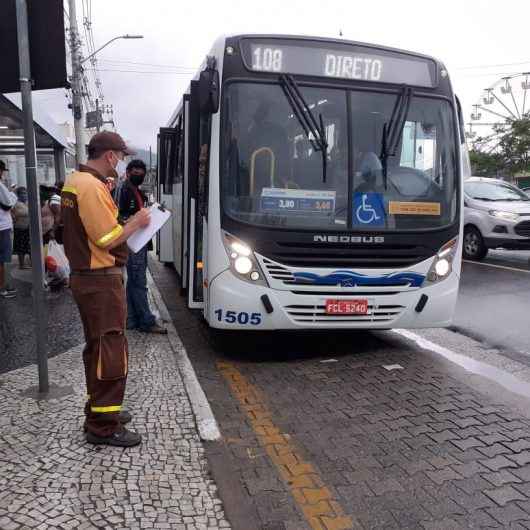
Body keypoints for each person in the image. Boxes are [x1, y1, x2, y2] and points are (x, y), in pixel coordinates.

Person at [61, 131, 151, 448]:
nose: (122, 162)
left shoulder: (75, 181)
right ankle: (103, 426)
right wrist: (137, 222)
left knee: (97, 348)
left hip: (87, 277)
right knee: (110, 351)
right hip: (100, 279)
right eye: (121, 156)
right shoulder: (90, 187)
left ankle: (98, 409)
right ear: (110, 155)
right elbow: (106, 239)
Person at [119, 159, 167, 334]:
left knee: (133, 281)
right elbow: (119, 217)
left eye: (142, 171)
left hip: (138, 242)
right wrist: (134, 220)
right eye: (135, 171)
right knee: (139, 282)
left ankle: (131, 319)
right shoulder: (124, 190)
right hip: (133, 243)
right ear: (129, 172)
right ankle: (146, 321)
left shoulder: (136, 191)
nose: (139, 174)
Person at [0, 160, 18, 299]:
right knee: (2, 259)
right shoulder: (0, 186)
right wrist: (12, 193)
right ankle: (2, 288)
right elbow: (9, 203)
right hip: (2, 227)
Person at [12, 187, 31, 269]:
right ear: (18, 195)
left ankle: (32, 263)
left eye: (25, 193)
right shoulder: (16, 204)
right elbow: (13, 214)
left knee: (29, 246)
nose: (24, 195)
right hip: (20, 229)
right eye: (22, 193)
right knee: (21, 248)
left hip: (28, 228)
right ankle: (22, 265)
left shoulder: (27, 203)